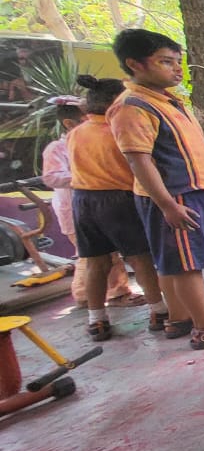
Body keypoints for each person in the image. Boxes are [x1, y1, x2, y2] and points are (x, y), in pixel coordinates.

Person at [110, 30, 204, 351]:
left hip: (190, 192)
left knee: (176, 262)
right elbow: (139, 160)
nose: (177, 69)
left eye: (178, 61)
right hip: (174, 196)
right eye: (166, 62)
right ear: (135, 64)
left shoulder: (166, 101)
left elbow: (192, 151)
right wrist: (167, 204)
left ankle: (180, 317)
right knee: (186, 265)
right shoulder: (133, 107)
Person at [64, 77, 165, 339]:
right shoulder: (116, 130)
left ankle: (96, 319)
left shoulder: (75, 134)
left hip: (83, 201)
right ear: (116, 102)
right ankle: (158, 311)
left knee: (96, 263)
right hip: (118, 200)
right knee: (140, 258)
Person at [41, 93, 137, 308]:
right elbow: (51, 177)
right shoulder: (56, 148)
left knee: (108, 253)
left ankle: (113, 292)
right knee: (91, 256)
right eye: (85, 120)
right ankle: (88, 294)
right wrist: (87, 176)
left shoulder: (92, 139)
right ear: (68, 123)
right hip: (74, 209)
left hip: (100, 205)